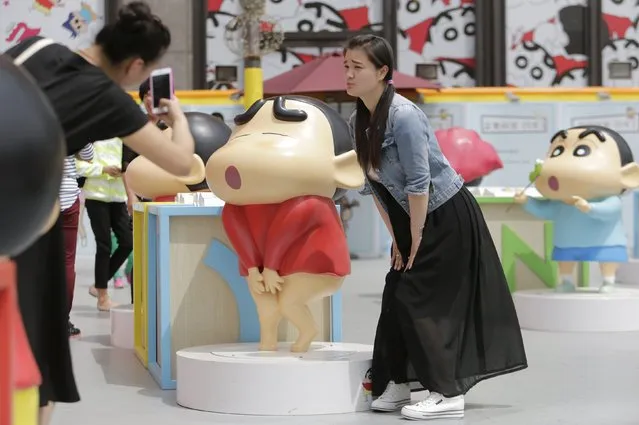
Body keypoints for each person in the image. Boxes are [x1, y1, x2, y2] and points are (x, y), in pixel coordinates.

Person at [4, 2, 196, 423]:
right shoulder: (112, 101)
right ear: (136, 64)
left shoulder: (35, 47)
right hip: (28, 226)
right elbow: (182, 163)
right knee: (36, 354)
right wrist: (176, 117)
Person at [343, 34, 528, 421]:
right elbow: (374, 188)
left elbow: (418, 181)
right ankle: (396, 382)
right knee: (395, 293)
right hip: (411, 219)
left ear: (382, 72)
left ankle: (447, 393)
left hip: (444, 215)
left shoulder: (405, 115)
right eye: (346, 66)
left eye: (357, 67)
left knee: (419, 298)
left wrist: (418, 237)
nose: (349, 74)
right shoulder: (357, 120)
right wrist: (399, 239)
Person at [76, 138, 132, 311]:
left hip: (117, 196)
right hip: (95, 196)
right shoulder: (90, 136)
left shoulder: (121, 137)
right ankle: (102, 297)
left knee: (127, 242)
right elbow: (77, 166)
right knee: (104, 245)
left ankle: (99, 284)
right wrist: (103, 169)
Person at [60, 144, 95, 338]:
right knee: (66, 262)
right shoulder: (73, 116)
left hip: (41, 193)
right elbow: (88, 155)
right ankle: (62, 320)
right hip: (67, 194)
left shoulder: (35, 114)